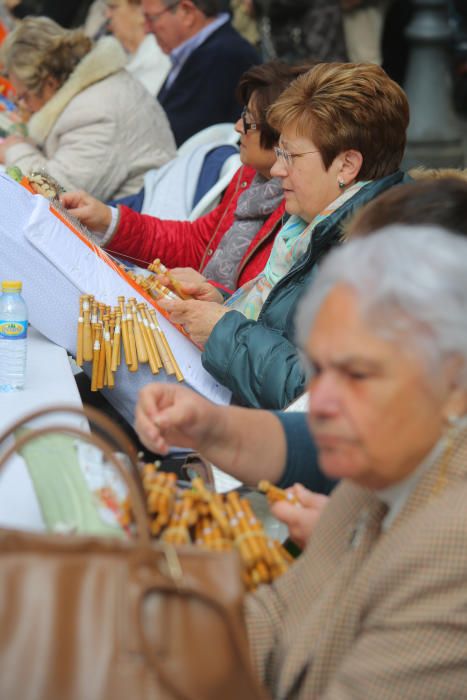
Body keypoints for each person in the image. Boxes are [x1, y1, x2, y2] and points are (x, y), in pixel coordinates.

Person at [139, 225, 467, 697]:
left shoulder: (449, 544)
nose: (322, 400)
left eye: (357, 374)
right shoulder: (375, 469)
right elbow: (275, 617)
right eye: (319, 369)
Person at [156, 62, 409, 408]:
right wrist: (222, 305)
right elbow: (284, 333)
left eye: (290, 155)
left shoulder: (381, 260)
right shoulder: (315, 226)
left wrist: (224, 330)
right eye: (279, 154)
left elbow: (320, 397)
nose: (276, 169)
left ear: (347, 166)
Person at [62, 62, 310, 293]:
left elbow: (264, 310)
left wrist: (213, 299)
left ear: (280, 134)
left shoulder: (303, 205)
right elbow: (196, 243)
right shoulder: (251, 178)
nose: (237, 128)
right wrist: (108, 219)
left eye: (248, 122)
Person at [0, 16, 176, 199]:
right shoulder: (97, 87)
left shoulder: (94, 113)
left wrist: (15, 150)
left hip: (138, 216)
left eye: (24, 97)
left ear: (49, 83)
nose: (23, 105)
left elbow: (57, 195)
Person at [143, 0, 260, 146]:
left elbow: (176, 133)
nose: (146, 29)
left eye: (152, 18)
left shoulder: (224, 56)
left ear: (187, 12)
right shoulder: (204, 51)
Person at [105, 0, 170, 96]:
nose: (107, 15)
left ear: (141, 10)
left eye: (114, 7)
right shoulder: (126, 58)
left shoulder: (158, 58)